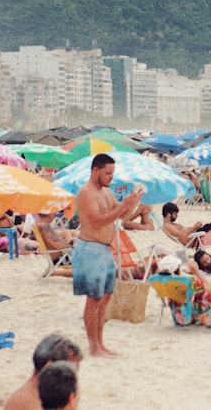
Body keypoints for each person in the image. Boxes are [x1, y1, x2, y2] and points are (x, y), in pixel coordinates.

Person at [73, 153, 145, 358]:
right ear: (95, 170)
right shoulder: (86, 192)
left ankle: (100, 344)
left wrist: (131, 203)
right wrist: (123, 206)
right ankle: (93, 347)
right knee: (93, 299)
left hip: (105, 248)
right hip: (89, 247)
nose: (111, 177)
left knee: (105, 299)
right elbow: (97, 221)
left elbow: (121, 216)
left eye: (112, 173)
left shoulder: (106, 191)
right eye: (107, 173)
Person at [4, 333, 82, 410]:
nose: (74, 380)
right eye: (70, 374)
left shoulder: (52, 396)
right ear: (49, 367)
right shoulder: (30, 402)